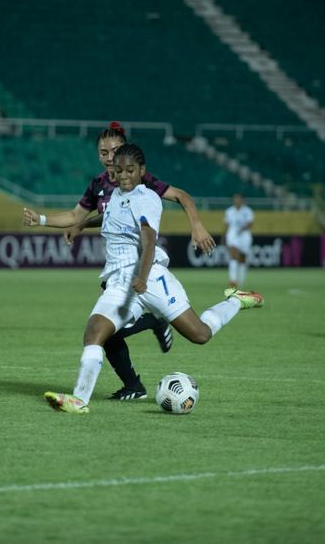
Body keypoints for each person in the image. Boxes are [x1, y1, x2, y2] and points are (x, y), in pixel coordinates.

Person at [43, 144, 263, 414]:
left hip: (152, 278)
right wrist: (80, 225)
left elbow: (149, 241)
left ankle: (237, 302)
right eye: (119, 170)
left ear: (142, 171)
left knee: (200, 334)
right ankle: (79, 400)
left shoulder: (146, 198)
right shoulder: (114, 196)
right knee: (94, 333)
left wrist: (142, 278)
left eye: (130, 170)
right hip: (118, 282)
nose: (123, 175)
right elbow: (110, 217)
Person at [23, 122, 216, 401]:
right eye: (103, 152)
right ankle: (134, 383)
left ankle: (151, 329)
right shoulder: (99, 185)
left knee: (106, 331)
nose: (109, 157)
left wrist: (196, 226)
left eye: (114, 150)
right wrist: (43, 220)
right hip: (117, 270)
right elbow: (81, 215)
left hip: (143, 270)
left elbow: (181, 197)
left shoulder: (140, 180)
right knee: (106, 333)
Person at [223, 193, 254, 289]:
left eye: (239, 199)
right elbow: (227, 225)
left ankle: (242, 280)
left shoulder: (248, 211)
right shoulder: (229, 211)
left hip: (244, 235)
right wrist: (224, 236)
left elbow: (250, 224)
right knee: (233, 254)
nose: (237, 201)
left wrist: (242, 228)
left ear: (242, 200)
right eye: (235, 199)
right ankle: (233, 280)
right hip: (232, 234)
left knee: (242, 258)